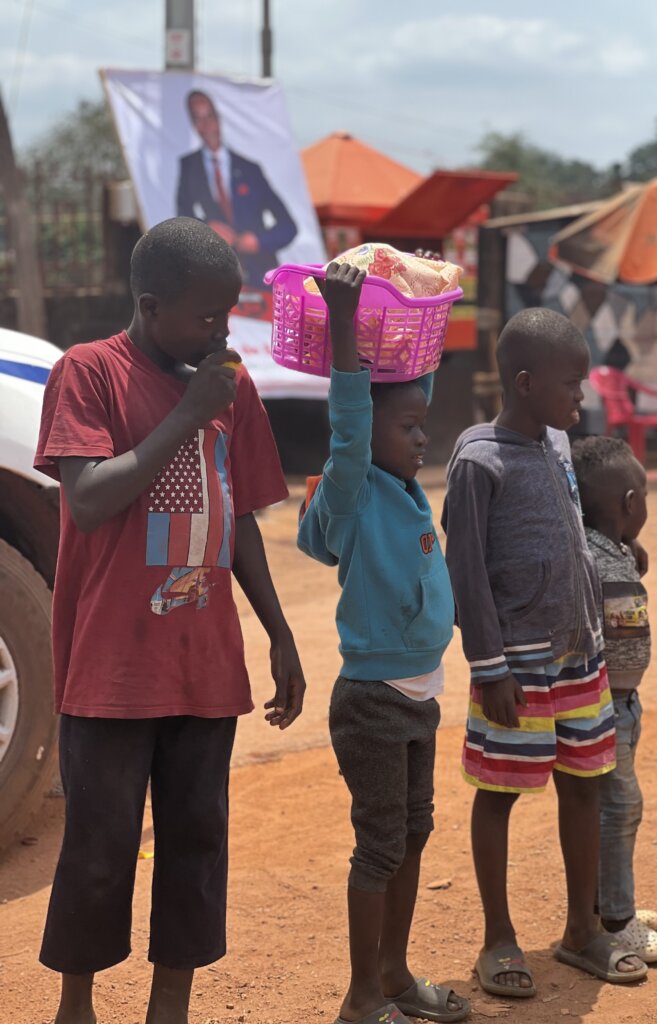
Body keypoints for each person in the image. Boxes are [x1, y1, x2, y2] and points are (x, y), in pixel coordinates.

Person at [35, 217, 306, 1024]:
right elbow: (86, 501)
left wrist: (279, 630)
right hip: (112, 668)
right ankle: (75, 1005)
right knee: (97, 849)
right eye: (204, 316)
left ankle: (170, 1007)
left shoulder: (230, 386)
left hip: (203, 664)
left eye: (229, 314)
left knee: (195, 848)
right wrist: (188, 412)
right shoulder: (91, 374)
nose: (221, 331)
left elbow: (242, 518)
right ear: (150, 306)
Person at [442, 307, 648, 997]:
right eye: (570, 384)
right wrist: (488, 665)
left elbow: (569, 538)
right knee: (499, 793)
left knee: (585, 783)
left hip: (578, 656)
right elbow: (466, 569)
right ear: (525, 383)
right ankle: (498, 937)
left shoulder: (559, 446)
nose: (580, 397)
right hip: (517, 668)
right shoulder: (479, 459)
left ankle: (581, 931)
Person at [297, 261, 470, 1024]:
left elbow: (401, 401)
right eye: (409, 428)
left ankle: (395, 974)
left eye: (423, 425)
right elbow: (349, 423)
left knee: (414, 833)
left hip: (420, 699)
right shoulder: (356, 485)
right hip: (371, 703)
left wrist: (409, 341)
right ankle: (362, 997)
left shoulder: (403, 490)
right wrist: (343, 325)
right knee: (379, 846)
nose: (422, 438)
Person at [571, 435, 657, 963]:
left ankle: (604, 905)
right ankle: (616, 919)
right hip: (603, 705)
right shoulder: (592, 557)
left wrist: (629, 550)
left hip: (621, 703)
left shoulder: (608, 550)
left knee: (610, 807)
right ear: (631, 504)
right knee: (619, 807)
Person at [176, 90, 298, 301]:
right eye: (198, 118)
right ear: (193, 124)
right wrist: (206, 228)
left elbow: (288, 226)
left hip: (260, 279)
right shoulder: (189, 166)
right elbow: (181, 220)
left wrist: (258, 241)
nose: (206, 125)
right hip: (214, 280)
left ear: (218, 118)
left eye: (209, 116)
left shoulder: (250, 169)